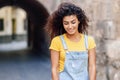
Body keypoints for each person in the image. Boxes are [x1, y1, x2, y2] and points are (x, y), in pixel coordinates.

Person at [45, 2, 96, 80]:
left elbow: (92, 66)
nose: (70, 26)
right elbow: (54, 69)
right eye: (66, 23)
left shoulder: (89, 41)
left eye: (73, 22)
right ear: (62, 23)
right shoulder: (57, 41)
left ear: (79, 21)